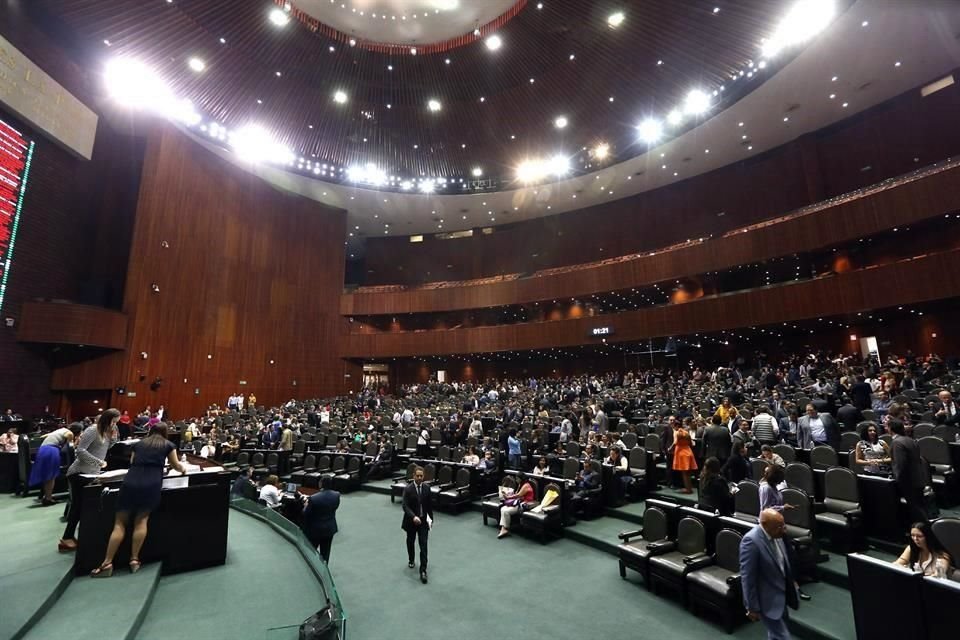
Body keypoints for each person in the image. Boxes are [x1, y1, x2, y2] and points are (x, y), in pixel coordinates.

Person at [90, 423, 186, 577]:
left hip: (131, 481)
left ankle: (107, 563)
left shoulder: (139, 444)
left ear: (150, 431)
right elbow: (176, 465)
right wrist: (184, 469)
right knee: (141, 521)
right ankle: (134, 560)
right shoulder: (168, 445)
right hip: (152, 482)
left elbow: (132, 462)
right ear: (165, 432)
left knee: (119, 523)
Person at [60, 409, 120, 552]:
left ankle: (73, 536)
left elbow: (107, 447)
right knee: (78, 506)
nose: (114, 425)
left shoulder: (106, 432)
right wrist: (98, 462)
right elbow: (80, 451)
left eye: (116, 423)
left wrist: (113, 438)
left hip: (91, 473)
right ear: (106, 419)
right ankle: (66, 538)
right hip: (78, 473)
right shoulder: (93, 430)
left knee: (84, 506)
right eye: (113, 422)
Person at [740, 509, 800, 639]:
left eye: (783, 525)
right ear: (765, 524)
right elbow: (747, 577)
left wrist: (791, 580)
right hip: (767, 601)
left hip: (782, 595)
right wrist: (751, 607)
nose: (784, 529)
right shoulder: (751, 541)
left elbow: (783, 561)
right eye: (779, 526)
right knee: (784, 636)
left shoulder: (776, 534)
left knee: (775, 635)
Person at [28, 424, 79, 505]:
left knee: (47, 475)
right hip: (51, 450)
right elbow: (69, 448)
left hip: (42, 449)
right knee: (51, 476)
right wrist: (75, 441)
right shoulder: (70, 433)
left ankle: (47, 496)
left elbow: (43, 436)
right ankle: (48, 499)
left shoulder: (60, 430)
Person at [889, 419, 928, 522]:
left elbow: (900, 465)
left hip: (908, 482)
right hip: (918, 478)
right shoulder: (910, 439)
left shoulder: (897, 442)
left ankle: (926, 531)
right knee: (920, 507)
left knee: (916, 510)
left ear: (890, 429)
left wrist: (897, 480)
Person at [401, 466, 434, 584]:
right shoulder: (408, 489)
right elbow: (405, 506)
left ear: (424, 476)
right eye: (417, 476)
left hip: (423, 521)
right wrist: (413, 516)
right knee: (410, 541)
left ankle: (423, 571)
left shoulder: (427, 488)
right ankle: (411, 559)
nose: (419, 478)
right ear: (413, 476)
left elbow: (429, 506)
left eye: (421, 476)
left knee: (423, 545)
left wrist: (431, 520)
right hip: (411, 521)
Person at [302, 475, 340, 563]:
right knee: (325, 553)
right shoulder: (337, 495)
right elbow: (335, 507)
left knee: (311, 551)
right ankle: (324, 571)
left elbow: (306, 513)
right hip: (330, 528)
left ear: (321, 484)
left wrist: (305, 506)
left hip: (315, 530)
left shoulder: (314, 498)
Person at [670, 419, 698, 494]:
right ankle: (689, 487)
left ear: (675, 426)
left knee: (684, 473)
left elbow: (675, 442)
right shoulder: (686, 433)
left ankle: (687, 489)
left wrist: (670, 448)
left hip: (681, 453)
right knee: (688, 472)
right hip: (688, 452)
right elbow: (691, 443)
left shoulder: (677, 433)